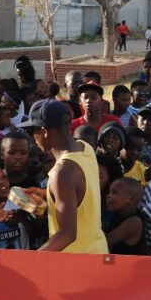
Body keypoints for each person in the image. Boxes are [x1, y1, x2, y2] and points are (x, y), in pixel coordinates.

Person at [21, 100, 108, 253]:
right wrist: (46, 194)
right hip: (98, 252)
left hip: (77, 263)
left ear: (44, 132)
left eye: (32, 132)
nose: (34, 138)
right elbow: (83, 197)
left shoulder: (62, 173)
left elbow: (67, 235)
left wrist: (32, 262)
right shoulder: (85, 148)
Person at [104, 177, 148, 256]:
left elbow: (105, 240)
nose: (108, 196)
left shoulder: (134, 222)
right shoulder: (119, 214)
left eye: (114, 193)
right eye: (109, 192)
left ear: (131, 199)